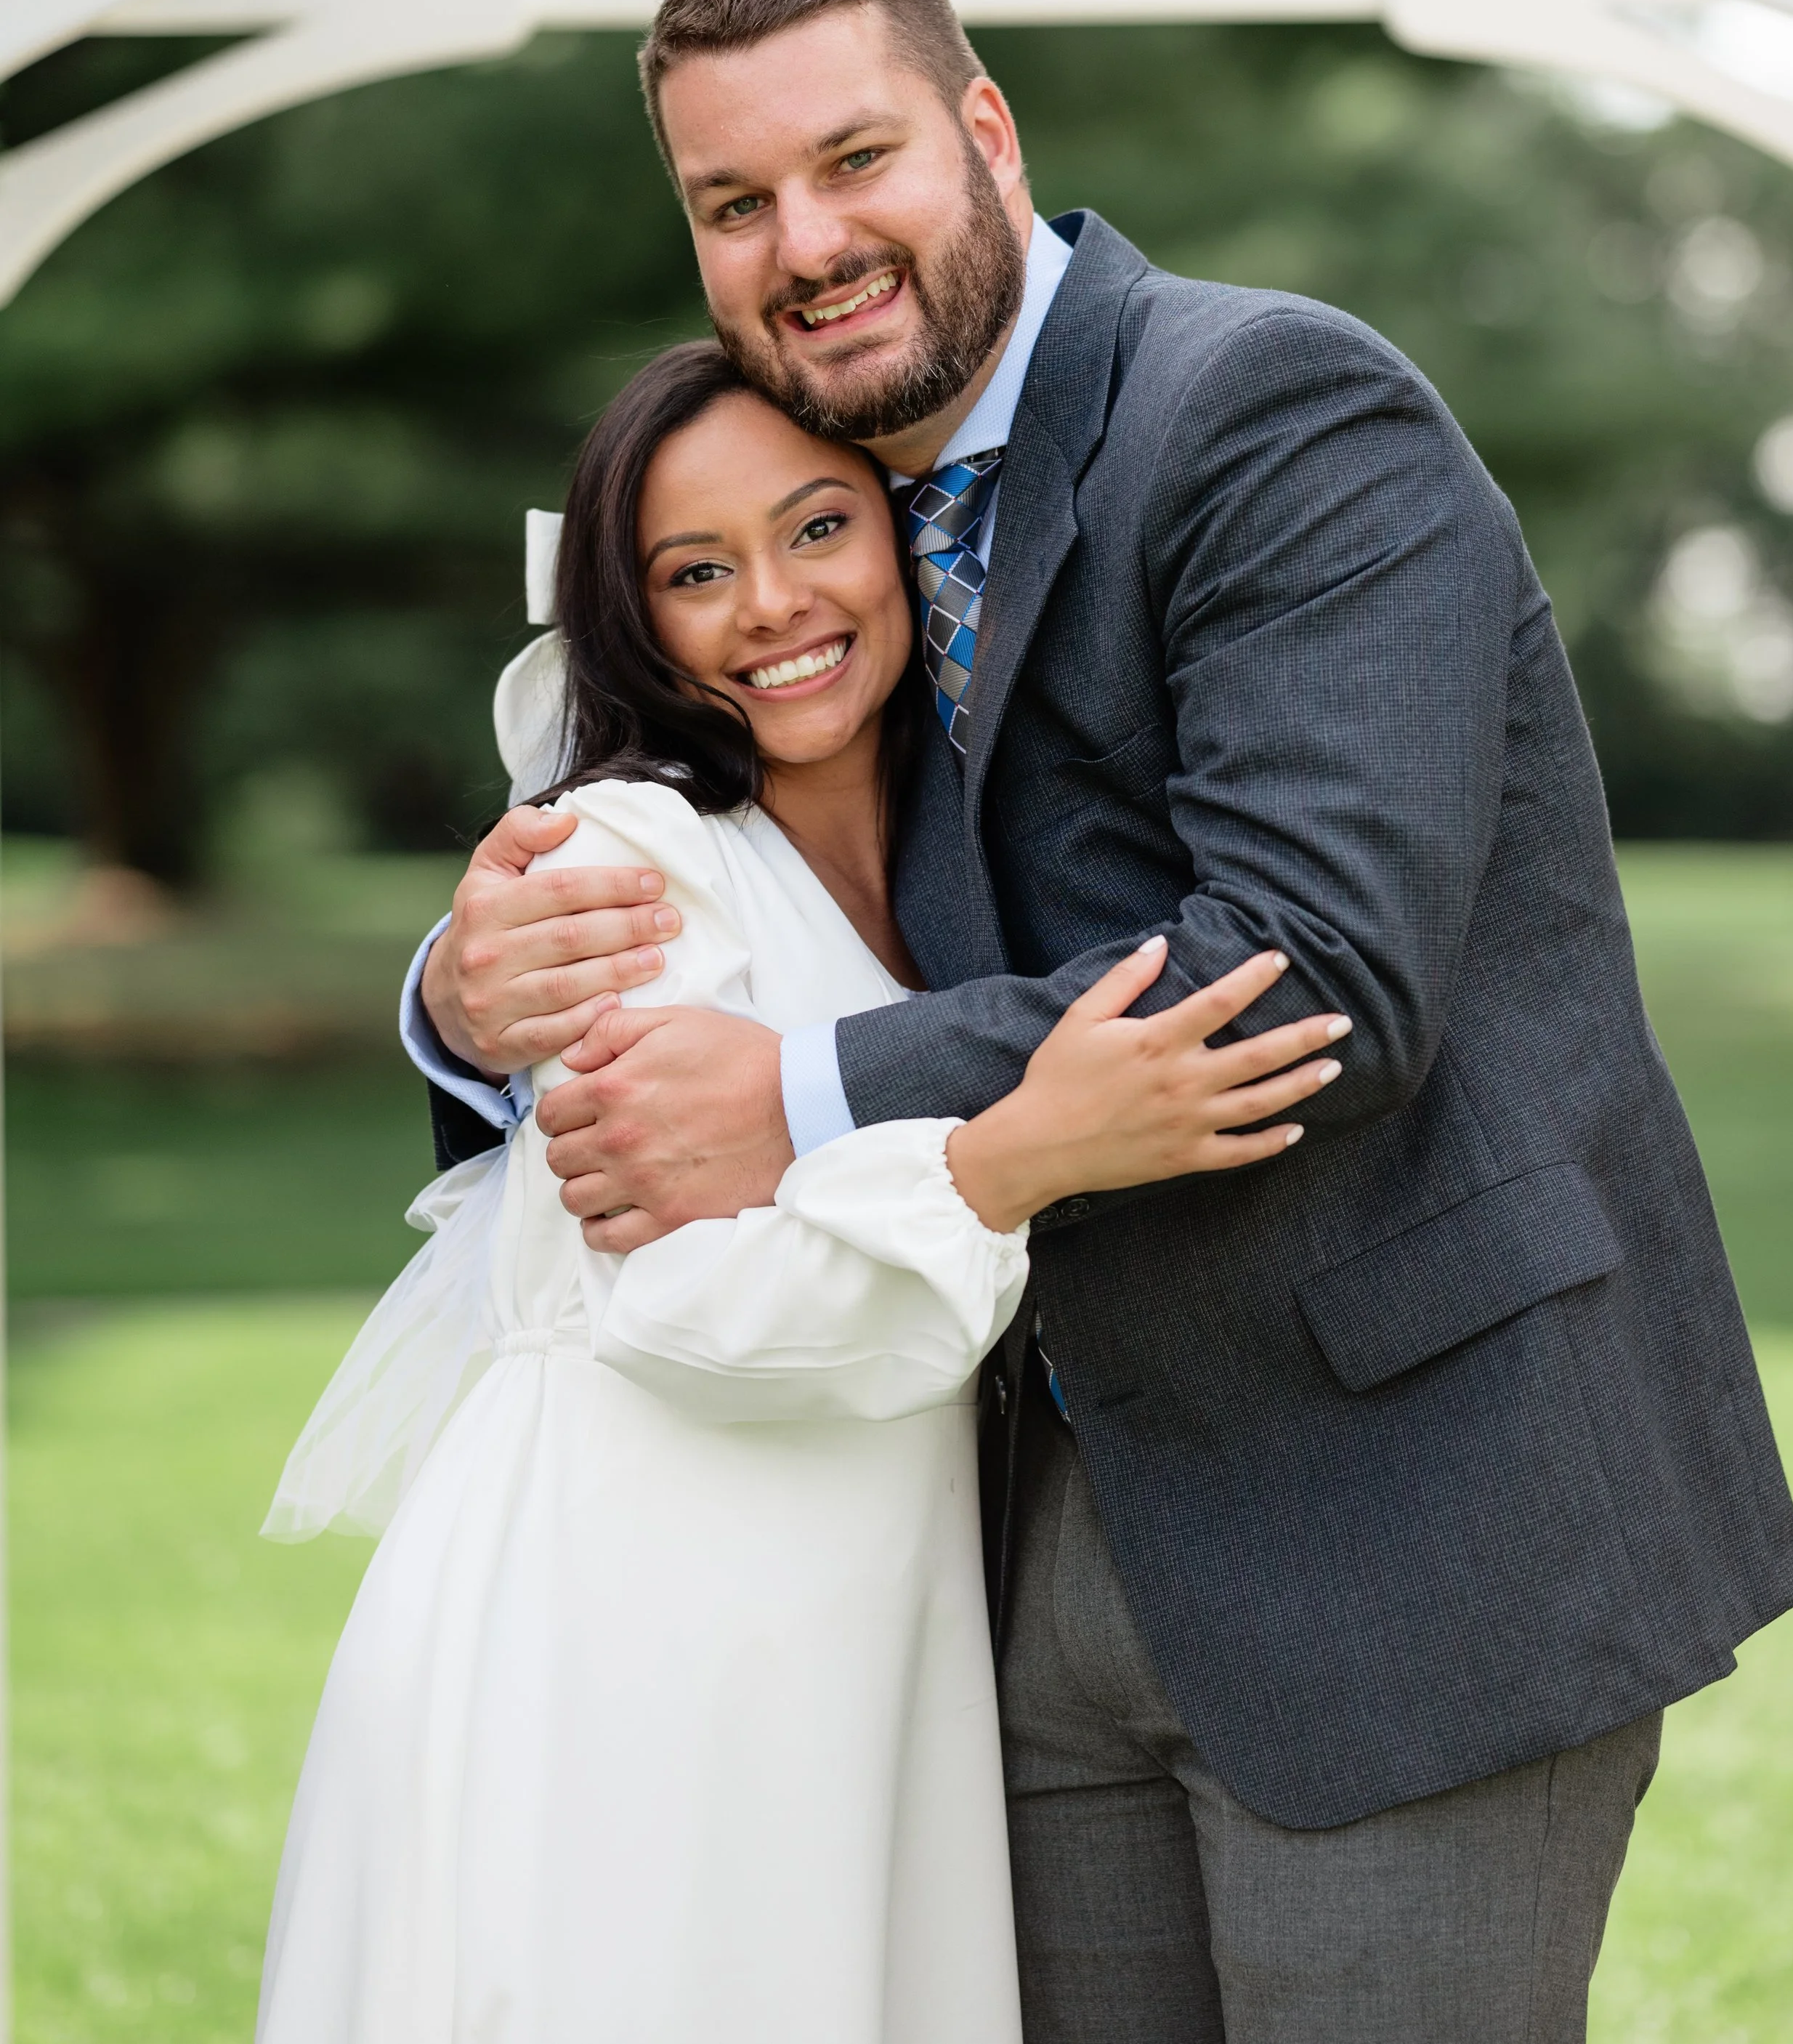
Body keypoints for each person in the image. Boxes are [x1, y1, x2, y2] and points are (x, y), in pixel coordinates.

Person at [410, 0, 1793, 2044]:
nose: (801, 240)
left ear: (982, 128)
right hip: (1032, 1538)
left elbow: (1305, 966)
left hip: (1401, 1511)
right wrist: (470, 991)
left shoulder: (1271, 408)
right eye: (731, 202)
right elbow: (721, 867)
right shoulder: (831, 522)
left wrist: (792, 1093)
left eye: (851, 158)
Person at [259, 343, 1345, 2044]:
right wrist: (1011, 1158)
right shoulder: (622, 859)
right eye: (695, 572)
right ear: (633, 623)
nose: (772, 605)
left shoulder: (970, 860)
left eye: (817, 527)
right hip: (637, 1626)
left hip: (846, 1626)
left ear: (910, 535)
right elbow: (688, 1299)